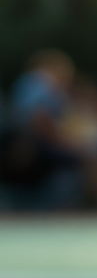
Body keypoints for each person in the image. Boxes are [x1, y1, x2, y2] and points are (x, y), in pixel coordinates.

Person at [0, 50, 83, 209]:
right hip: (29, 146)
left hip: (29, 145)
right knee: (83, 158)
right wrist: (68, 142)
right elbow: (38, 121)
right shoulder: (39, 81)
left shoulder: (34, 83)